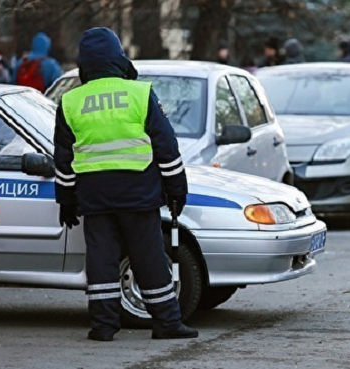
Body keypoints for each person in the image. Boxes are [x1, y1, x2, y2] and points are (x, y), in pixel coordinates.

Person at [53, 27, 198, 342]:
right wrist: (176, 189)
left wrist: (65, 199)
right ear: (118, 57)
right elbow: (166, 147)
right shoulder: (140, 94)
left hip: (94, 197)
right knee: (150, 258)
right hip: (138, 193)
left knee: (101, 259)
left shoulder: (70, 102)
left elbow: (63, 160)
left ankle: (104, 325)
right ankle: (166, 322)